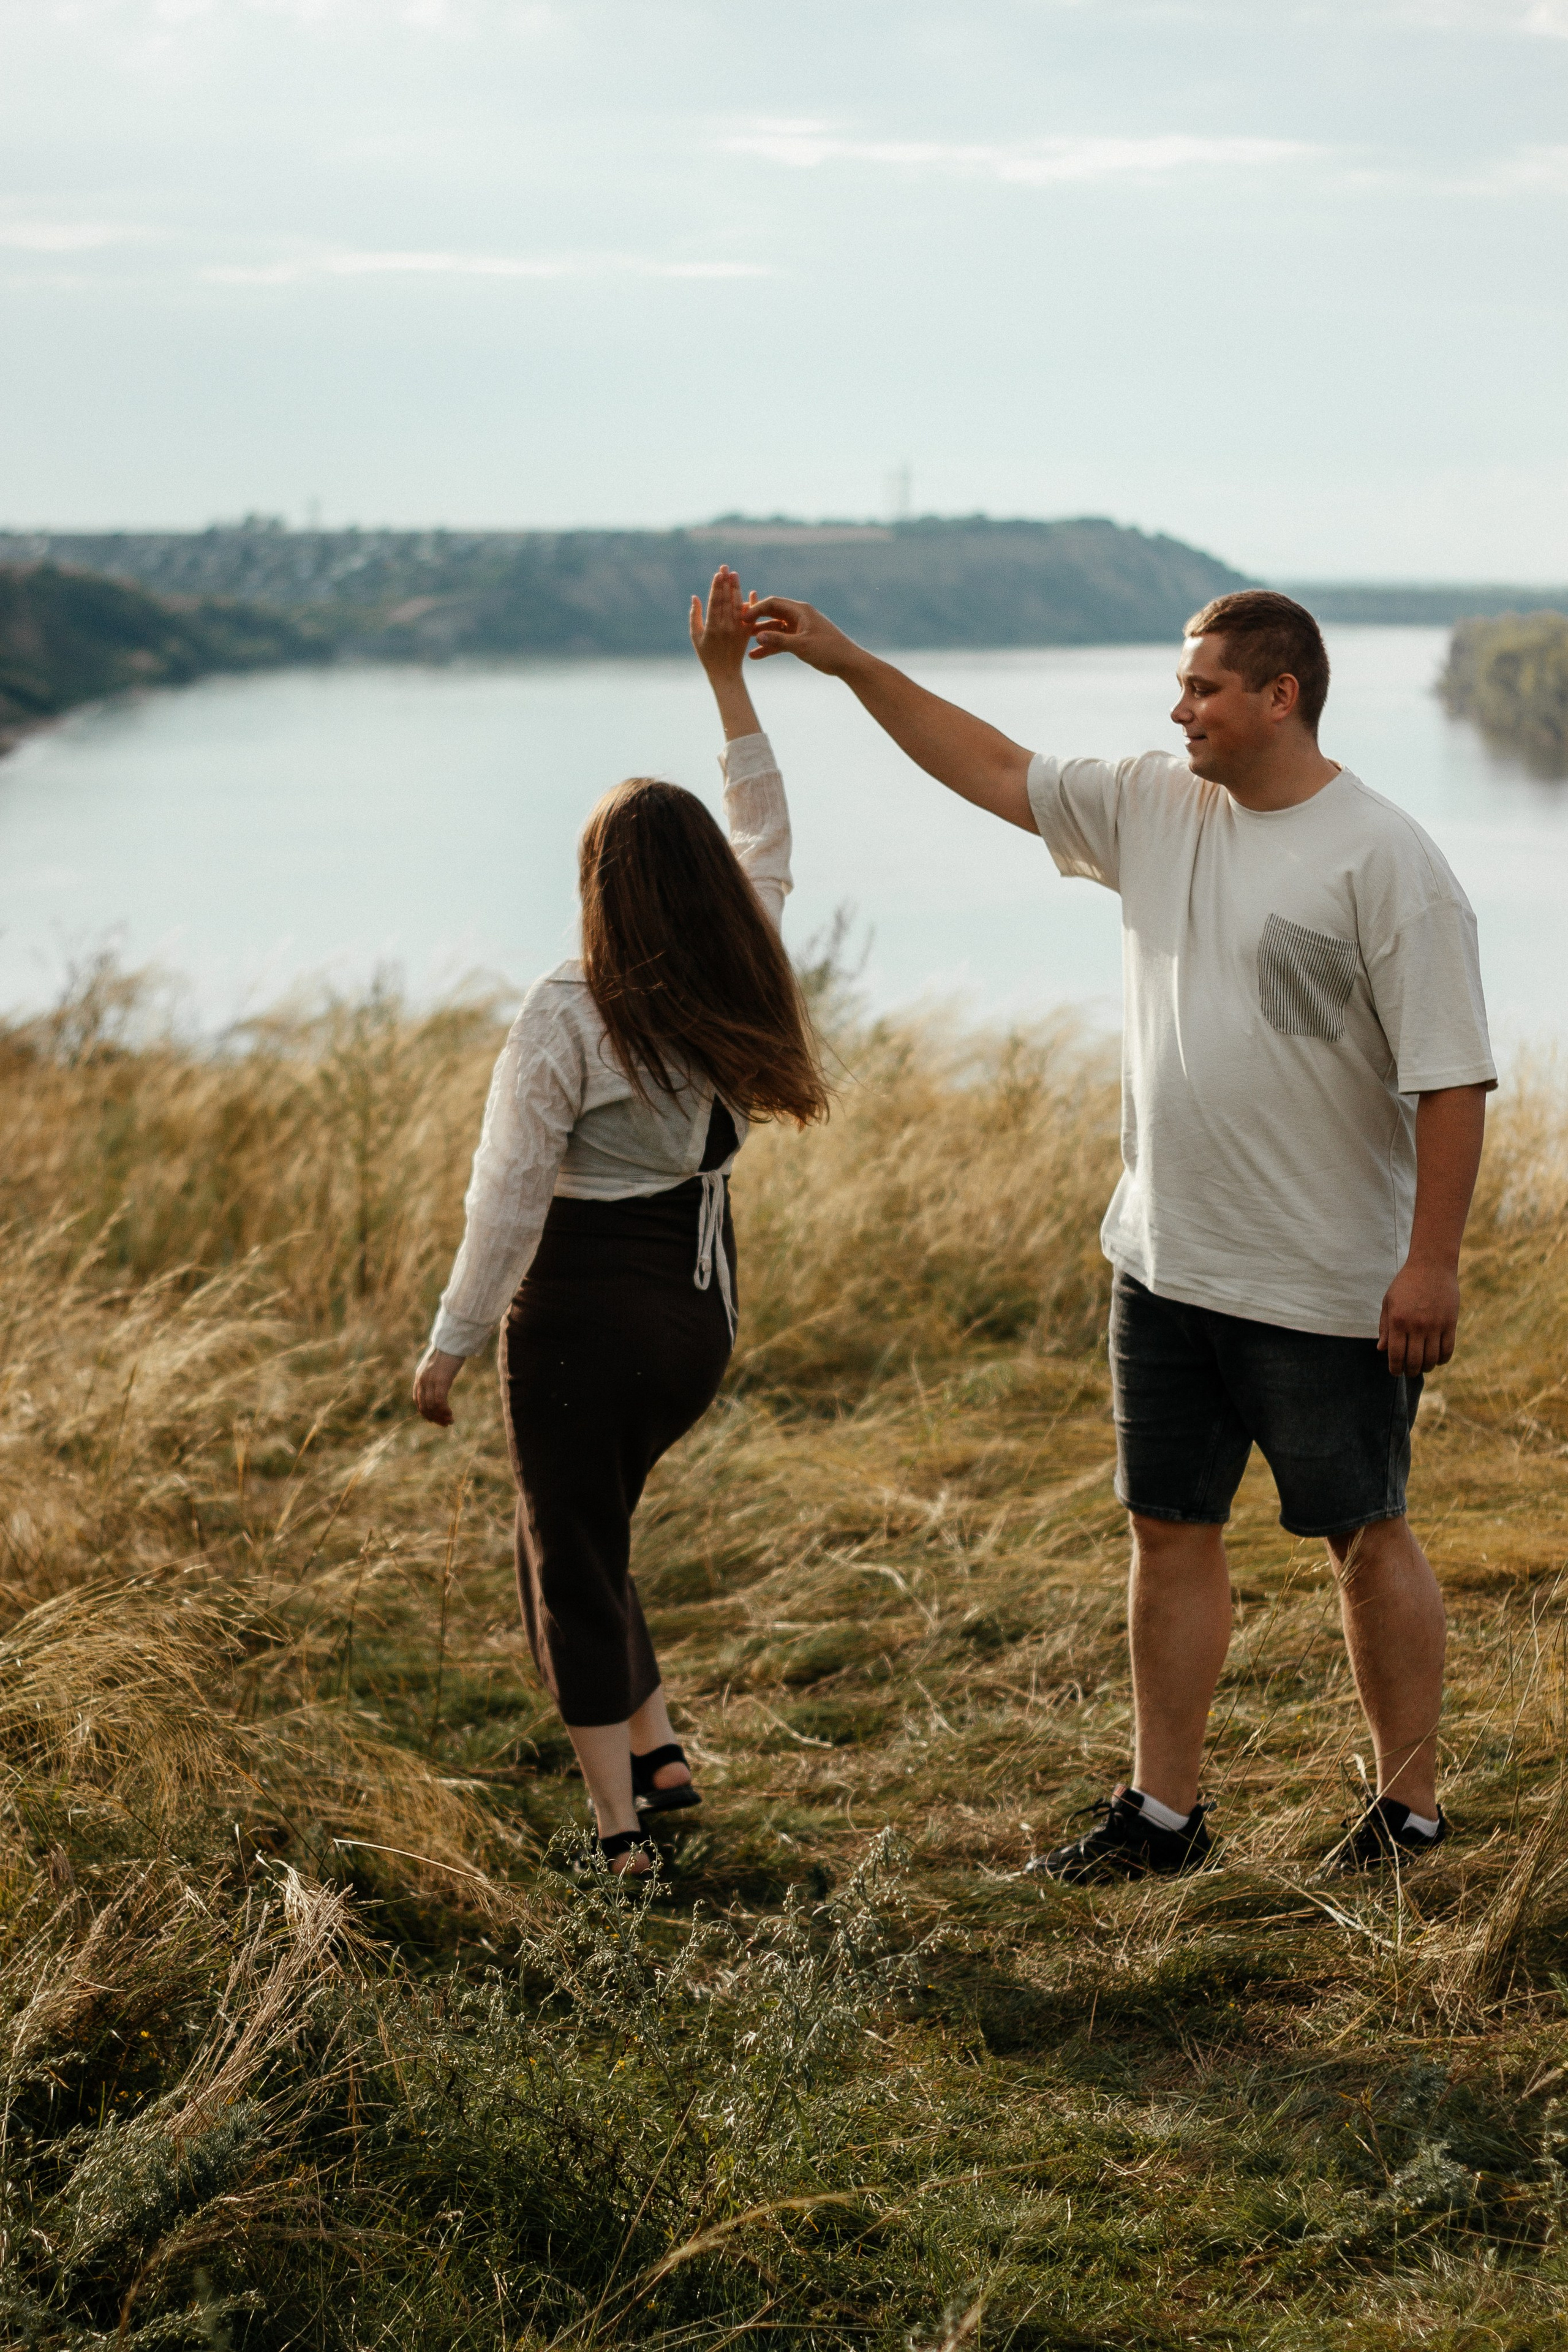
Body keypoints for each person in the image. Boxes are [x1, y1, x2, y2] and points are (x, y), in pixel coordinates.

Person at [745, 585, 1494, 1880]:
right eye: (1178, 685)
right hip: (1162, 1261)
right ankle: (1163, 1816)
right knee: (1165, 1528)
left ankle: (1408, 1814)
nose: (1176, 708)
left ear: (1279, 696)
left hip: (1323, 1283)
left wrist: (1428, 1262)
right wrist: (845, 661)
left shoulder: (1386, 858)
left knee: (1363, 1534)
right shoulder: (1152, 807)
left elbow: (1449, 1077)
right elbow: (985, 763)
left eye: (1202, 688)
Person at [413, 568, 827, 1877]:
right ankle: (655, 1746)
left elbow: (506, 1198)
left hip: (584, 1320)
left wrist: (450, 1345)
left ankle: (619, 1840)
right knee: (585, 1529)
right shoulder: (740, 953)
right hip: (697, 1317)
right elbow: (764, 832)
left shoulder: (564, 1013)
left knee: (567, 1560)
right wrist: (727, 681)